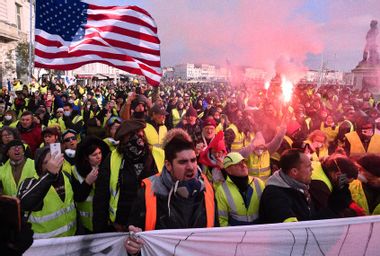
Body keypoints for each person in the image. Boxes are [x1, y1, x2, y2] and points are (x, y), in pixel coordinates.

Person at [125, 129, 217, 255]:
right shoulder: (147, 192)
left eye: (193, 160)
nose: (191, 167)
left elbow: (216, 233)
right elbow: (135, 241)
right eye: (183, 162)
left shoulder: (207, 188)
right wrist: (133, 249)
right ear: (168, 165)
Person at [93, 120, 160, 233]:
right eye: (131, 135)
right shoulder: (112, 159)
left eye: (139, 132)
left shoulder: (159, 155)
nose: (137, 138)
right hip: (122, 226)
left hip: (154, 225)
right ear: (123, 140)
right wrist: (100, 232)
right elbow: (101, 197)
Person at [259, 149, 350, 223]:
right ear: (294, 171)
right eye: (308, 166)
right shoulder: (275, 196)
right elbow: (297, 230)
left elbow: (315, 214)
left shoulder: (301, 186)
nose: (312, 169)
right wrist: (334, 209)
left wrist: (339, 192)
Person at [17, 147, 77, 239]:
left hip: (70, 238)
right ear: (39, 166)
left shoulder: (66, 176)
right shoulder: (30, 182)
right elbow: (25, 203)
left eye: (53, 160)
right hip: (45, 244)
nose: (51, 164)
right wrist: (49, 174)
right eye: (46, 162)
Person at [72, 136, 110, 233]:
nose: (98, 157)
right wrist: (87, 182)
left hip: (106, 221)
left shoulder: (107, 168)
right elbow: (78, 197)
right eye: (94, 155)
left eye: (100, 153)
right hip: (87, 224)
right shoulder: (75, 171)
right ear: (86, 157)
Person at [216, 152, 265, 226]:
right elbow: (222, 220)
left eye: (243, 162)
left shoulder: (259, 183)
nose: (243, 165)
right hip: (237, 234)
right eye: (237, 164)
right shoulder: (221, 191)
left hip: (259, 232)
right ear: (228, 170)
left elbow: (268, 210)